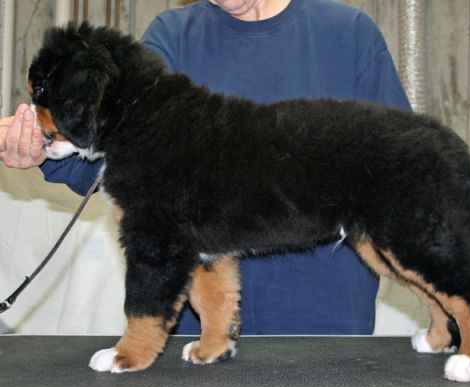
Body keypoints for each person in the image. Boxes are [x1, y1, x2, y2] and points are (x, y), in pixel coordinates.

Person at [0, 0, 410, 335]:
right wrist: (49, 150)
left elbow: (398, 172)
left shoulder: (350, 34)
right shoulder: (171, 37)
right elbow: (131, 174)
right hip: (199, 327)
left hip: (322, 314)